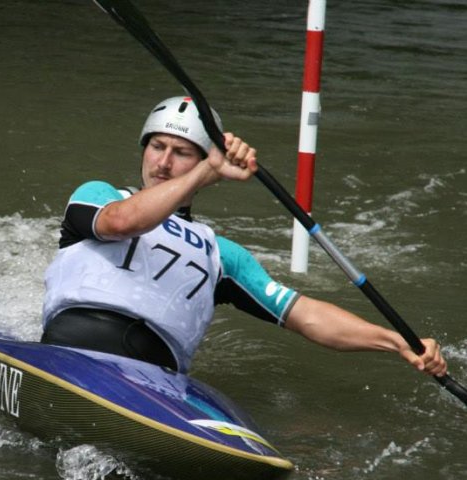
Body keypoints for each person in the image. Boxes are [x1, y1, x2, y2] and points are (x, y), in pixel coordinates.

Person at [41, 95, 447, 377]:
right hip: (71, 342)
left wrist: (397, 343)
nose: (163, 162)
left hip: (153, 374)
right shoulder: (99, 196)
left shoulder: (223, 256)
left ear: (203, 160)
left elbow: (304, 315)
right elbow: (122, 223)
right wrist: (208, 169)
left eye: (182, 152)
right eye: (157, 146)